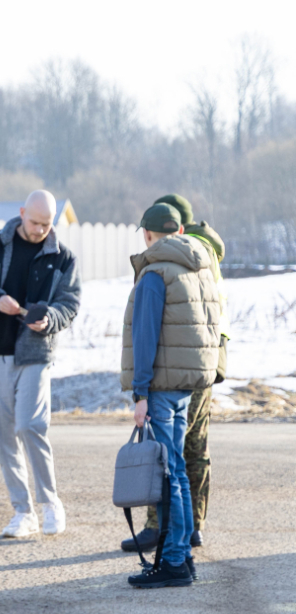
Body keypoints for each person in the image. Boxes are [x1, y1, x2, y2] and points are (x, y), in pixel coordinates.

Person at [0, 190, 82, 538]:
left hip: (36, 354)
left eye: (47, 224)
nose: (40, 229)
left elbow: (70, 304)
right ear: (22, 212)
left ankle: (51, 503)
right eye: (35, 222)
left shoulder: (64, 258)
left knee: (30, 426)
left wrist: (50, 319)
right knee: (4, 436)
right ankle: (23, 512)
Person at [120, 202, 223, 588]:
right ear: (179, 232)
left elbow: (144, 336)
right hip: (186, 387)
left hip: (161, 388)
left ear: (147, 234)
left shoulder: (154, 273)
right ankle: (181, 555)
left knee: (169, 475)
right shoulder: (198, 268)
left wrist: (140, 393)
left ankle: (175, 561)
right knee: (176, 469)